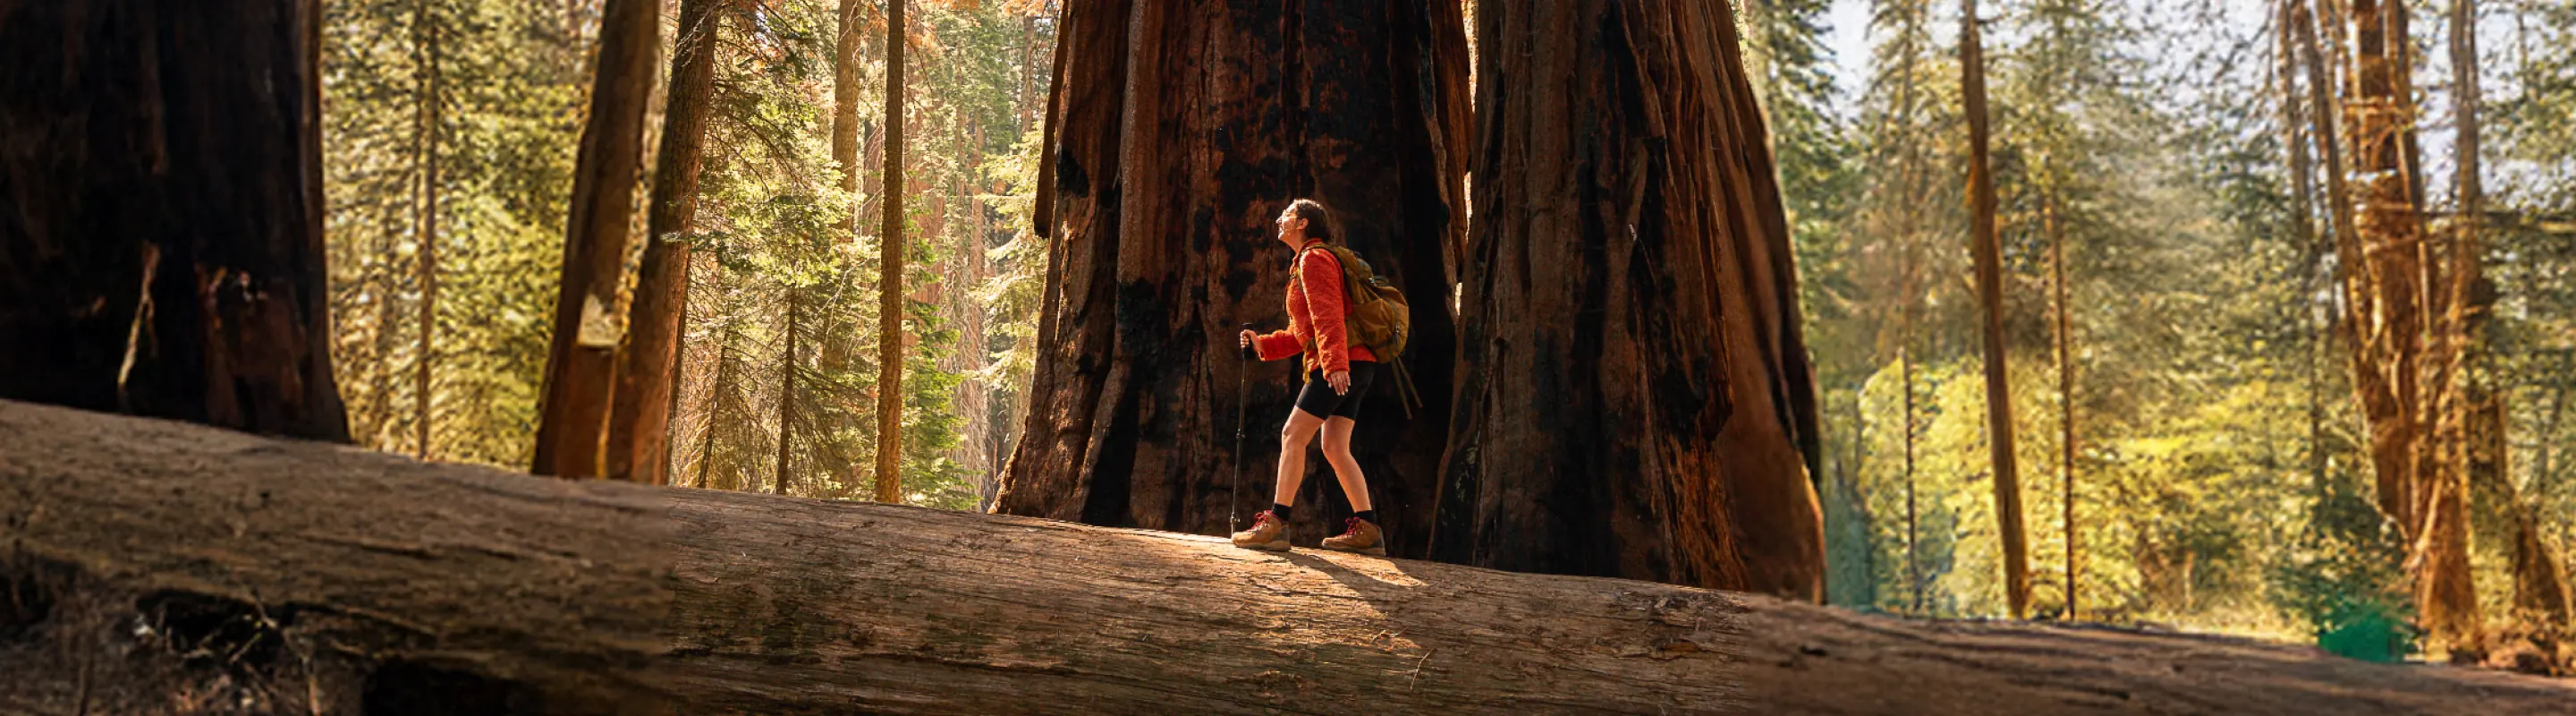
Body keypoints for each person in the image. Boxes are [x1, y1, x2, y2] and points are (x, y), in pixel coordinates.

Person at [1231, 199, 1385, 556]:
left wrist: (1333, 365)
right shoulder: (1308, 263)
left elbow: (1328, 315)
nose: (1278, 220)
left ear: (1302, 223)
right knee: (1333, 446)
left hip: (1341, 364)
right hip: (1356, 362)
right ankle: (1368, 529)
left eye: (1284, 216)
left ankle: (1276, 524)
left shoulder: (1314, 259)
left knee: (1292, 434)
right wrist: (1263, 344)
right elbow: (1303, 334)